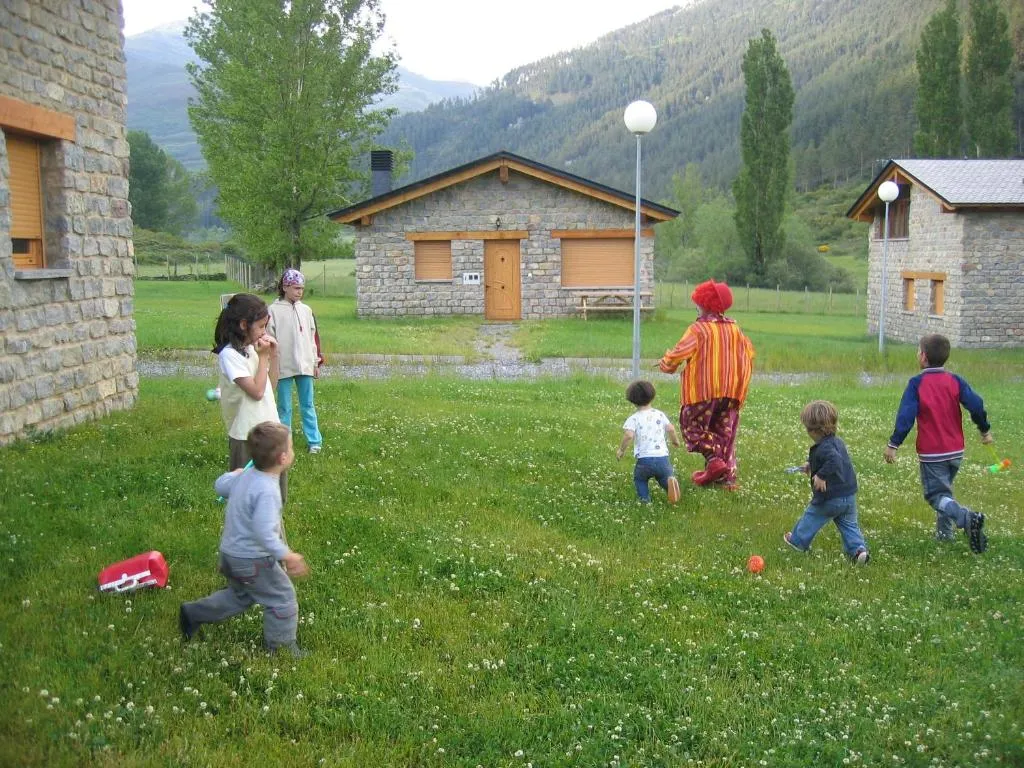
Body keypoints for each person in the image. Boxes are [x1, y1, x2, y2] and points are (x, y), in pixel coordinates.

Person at [179, 422, 310, 656]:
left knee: (240, 596)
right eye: (291, 448)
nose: (293, 452)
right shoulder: (268, 490)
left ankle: (193, 613)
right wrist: (286, 555)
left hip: (231, 554)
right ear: (282, 458)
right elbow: (264, 532)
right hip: (254, 560)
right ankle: (280, 648)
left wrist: (234, 474)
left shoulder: (246, 476)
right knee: (282, 598)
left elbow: (219, 486)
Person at [884, 334, 990, 553]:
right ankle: (944, 535)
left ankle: (967, 518)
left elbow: (906, 415)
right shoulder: (955, 381)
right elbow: (976, 405)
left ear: (923, 357)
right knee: (945, 494)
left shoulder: (917, 383)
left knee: (936, 496)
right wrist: (984, 429)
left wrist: (894, 443)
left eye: (917, 350)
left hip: (933, 453)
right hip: (956, 451)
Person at [658, 279, 754, 489]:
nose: (696, 307)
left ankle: (714, 461)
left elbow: (679, 353)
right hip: (731, 391)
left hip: (703, 391)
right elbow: (748, 354)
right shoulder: (735, 329)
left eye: (698, 303)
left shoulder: (698, 330)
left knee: (692, 426)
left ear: (705, 304)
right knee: (724, 433)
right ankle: (726, 479)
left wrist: (666, 365)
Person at [212, 293, 287, 502]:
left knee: (273, 496)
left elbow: (269, 387)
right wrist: (263, 357)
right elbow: (256, 392)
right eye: (261, 326)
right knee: (247, 498)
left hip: (269, 430)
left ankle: (272, 529)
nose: (265, 332)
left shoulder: (252, 350)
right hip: (246, 434)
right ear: (244, 325)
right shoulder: (230, 355)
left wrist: (273, 355)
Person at [783, 400, 869, 563]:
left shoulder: (824, 447)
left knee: (812, 517)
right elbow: (833, 459)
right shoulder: (838, 442)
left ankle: (797, 542)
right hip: (848, 496)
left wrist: (821, 475)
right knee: (849, 525)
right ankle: (858, 551)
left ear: (814, 430)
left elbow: (834, 460)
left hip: (830, 497)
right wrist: (811, 465)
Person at [268, 269, 324, 454]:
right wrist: (272, 367)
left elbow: (312, 338)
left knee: (308, 404)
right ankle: (284, 443)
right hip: (283, 366)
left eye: (302, 288)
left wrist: (315, 362)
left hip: (305, 365)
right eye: (296, 288)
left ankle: (314, 441)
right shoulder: (273, 311)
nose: (300, 292)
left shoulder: (306, 310)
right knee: (284, 407)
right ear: (285, 287)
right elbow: (269, 341)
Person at [616, 380, 682, 503]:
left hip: (644, 460)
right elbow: (671, 428)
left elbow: (629, 435)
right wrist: (676, 441)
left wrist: (621, 450)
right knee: (663, 477)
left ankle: (645, 501)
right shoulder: (660, 415)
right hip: (662, 458)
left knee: (640, 479)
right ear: (652, 396)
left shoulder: (634, 418)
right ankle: (670, 487)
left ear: (632, 400)